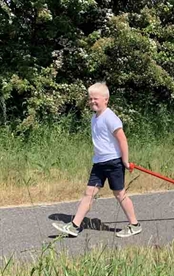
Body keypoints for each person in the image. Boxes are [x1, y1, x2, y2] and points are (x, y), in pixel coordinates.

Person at [52, 82, 141, 238]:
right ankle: (74, 226)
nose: (92, 101)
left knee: (120, 194)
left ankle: (134, 225)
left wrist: (125, 161)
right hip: (99, 163)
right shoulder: (94, 118)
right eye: (90, 98)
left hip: (113, 162)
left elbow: (122, 140)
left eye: (96, 98)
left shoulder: (110, 117)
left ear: (106, 99)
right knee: (89, 193)